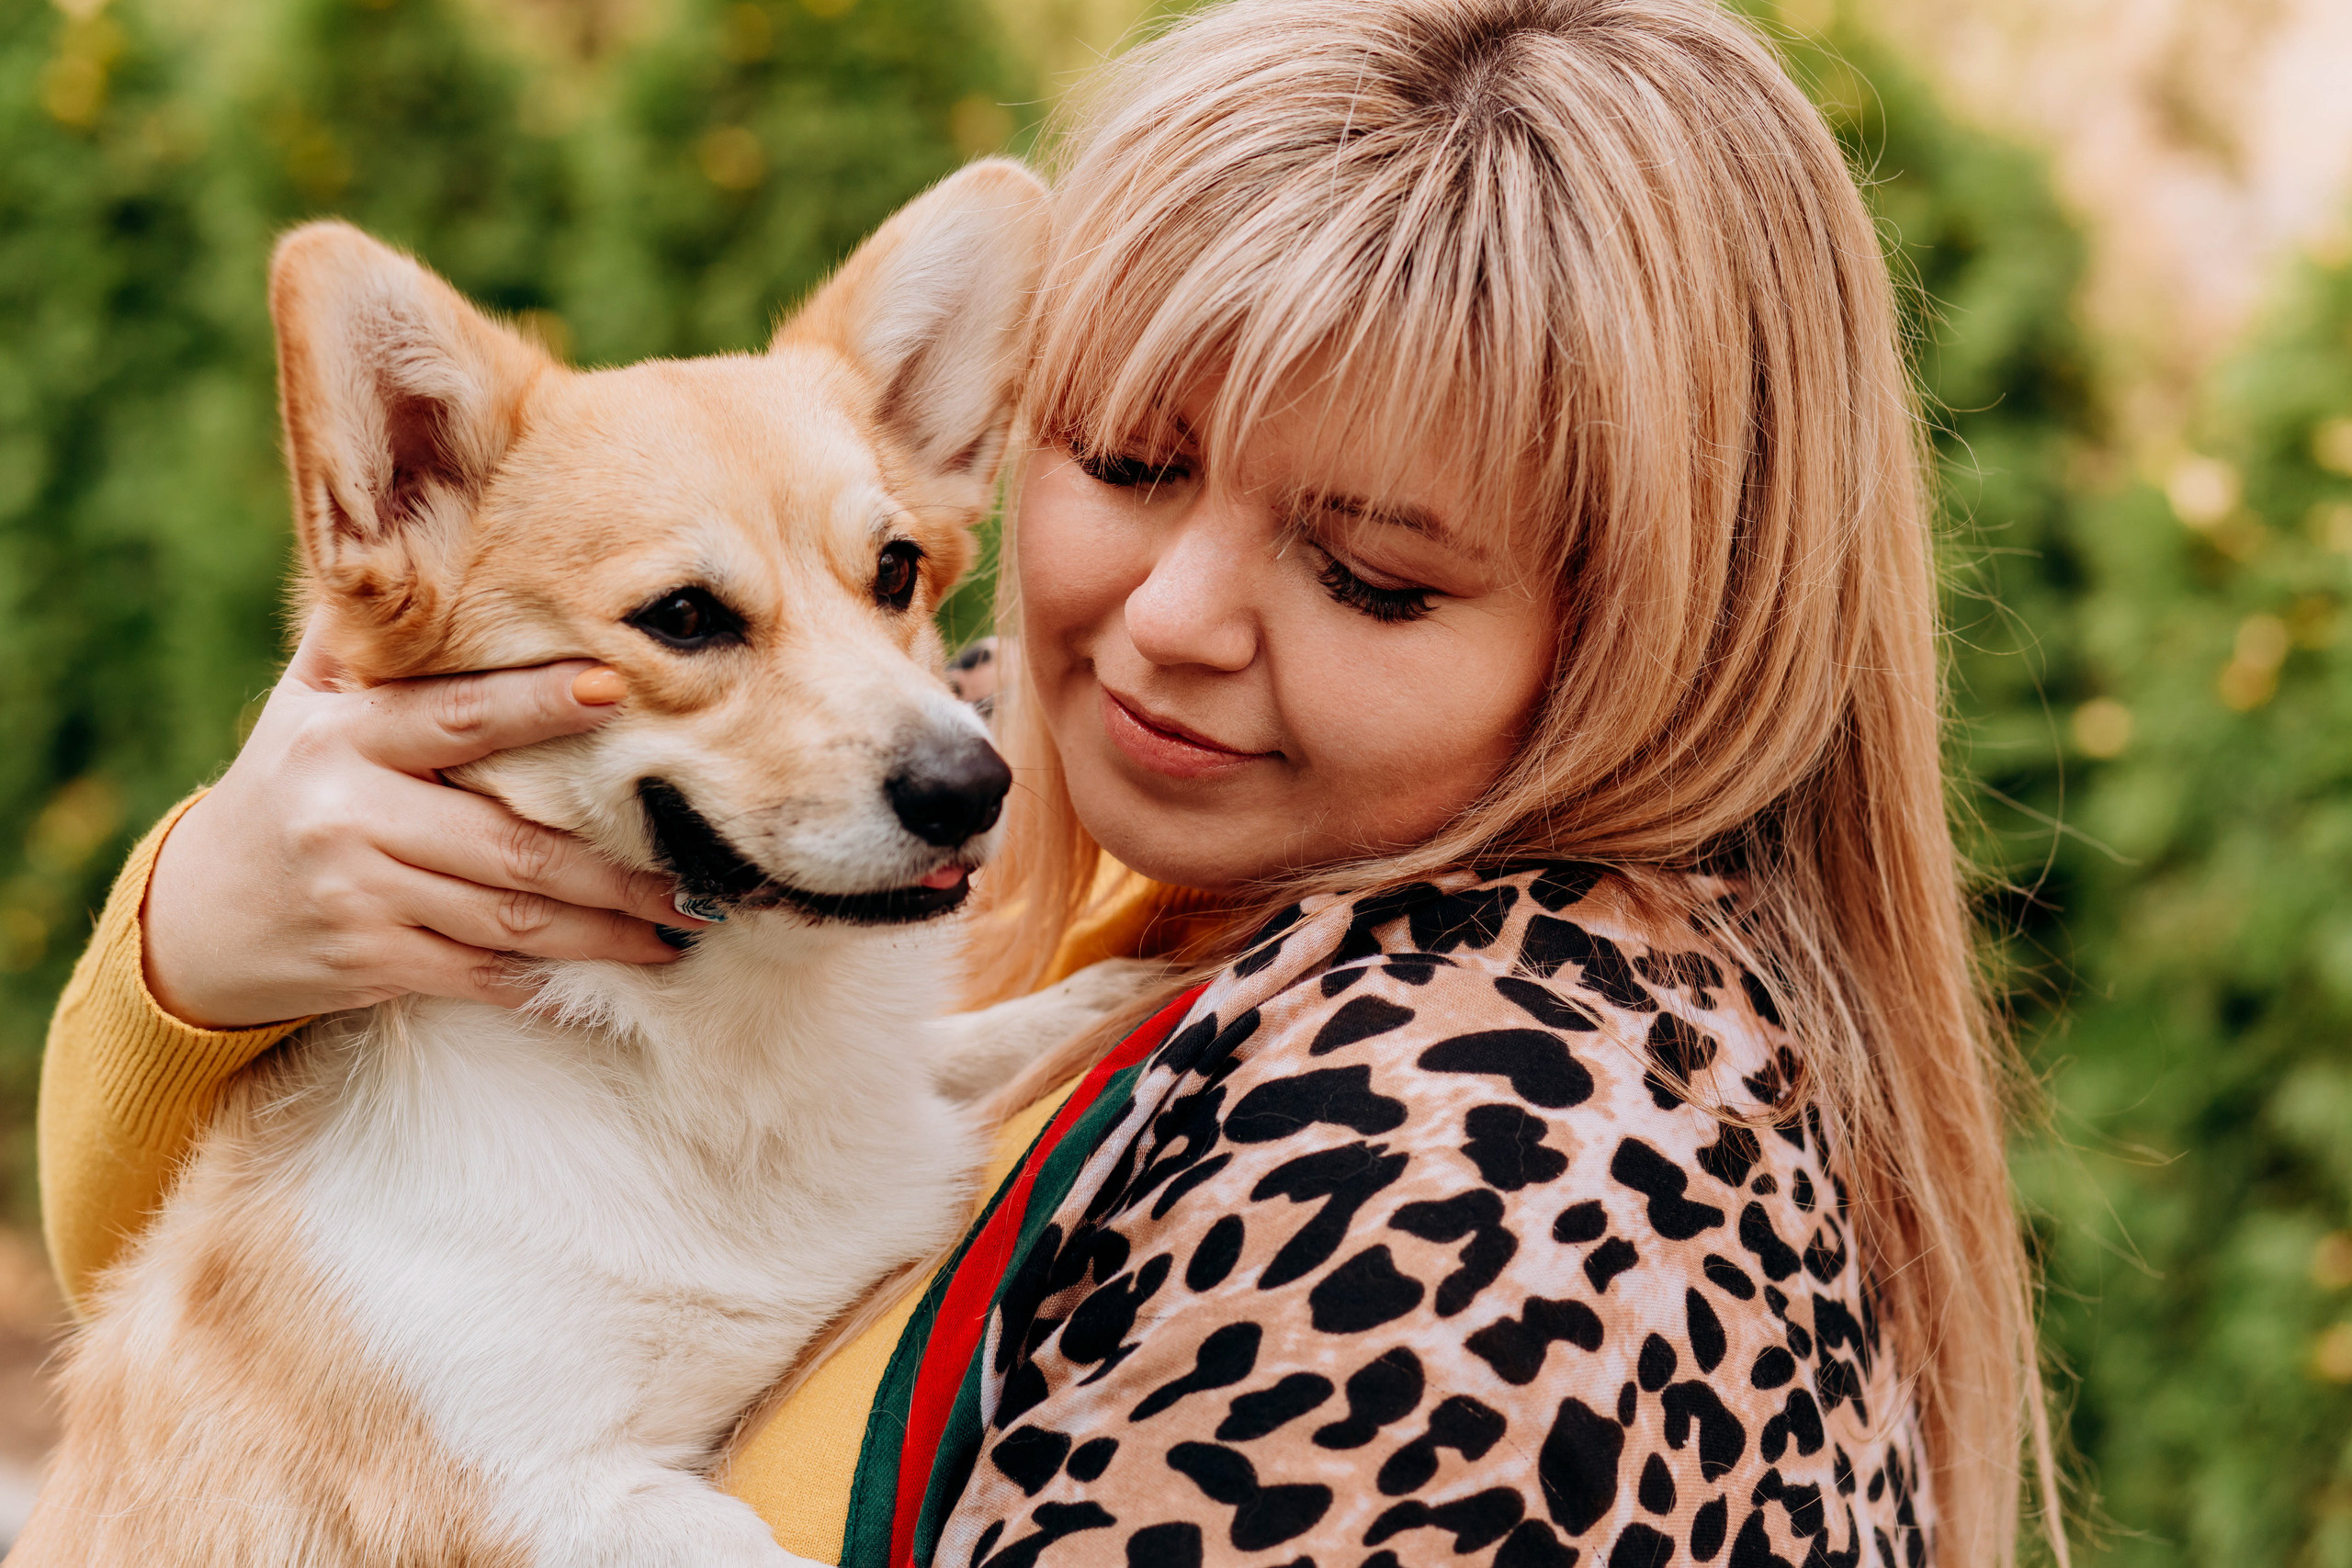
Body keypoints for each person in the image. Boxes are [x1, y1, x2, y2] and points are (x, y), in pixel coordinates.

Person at [36, 0, 2060, 1562]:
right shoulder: (1011, 767)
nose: (1171, 617)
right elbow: (259, 1339)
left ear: (1642, 630)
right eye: (1124, 459)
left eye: (1364, 571)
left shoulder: (1494, 1196)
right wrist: (207, 939)